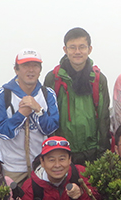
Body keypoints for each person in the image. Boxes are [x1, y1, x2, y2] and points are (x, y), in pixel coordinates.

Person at [0, 49, 60, 183]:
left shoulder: (47, 94)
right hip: (12, 167)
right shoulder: (2, 94)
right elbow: (1, 131)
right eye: (25, 66)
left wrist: (38, 110)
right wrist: (21, 115)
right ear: (16, 70)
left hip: (41, 166)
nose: (31, 70)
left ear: (40, 70)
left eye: (35, 66)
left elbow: (51, 128)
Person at [43, 27, 110, 165]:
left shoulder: (98, 79)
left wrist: (103, 151)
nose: (77, 52)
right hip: (61, 151)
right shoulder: (53, 78)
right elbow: (48, 117)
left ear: (89, 49)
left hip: (92, 151)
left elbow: (104, 118)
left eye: (82, 47)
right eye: (72, 47)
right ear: (65, 49)